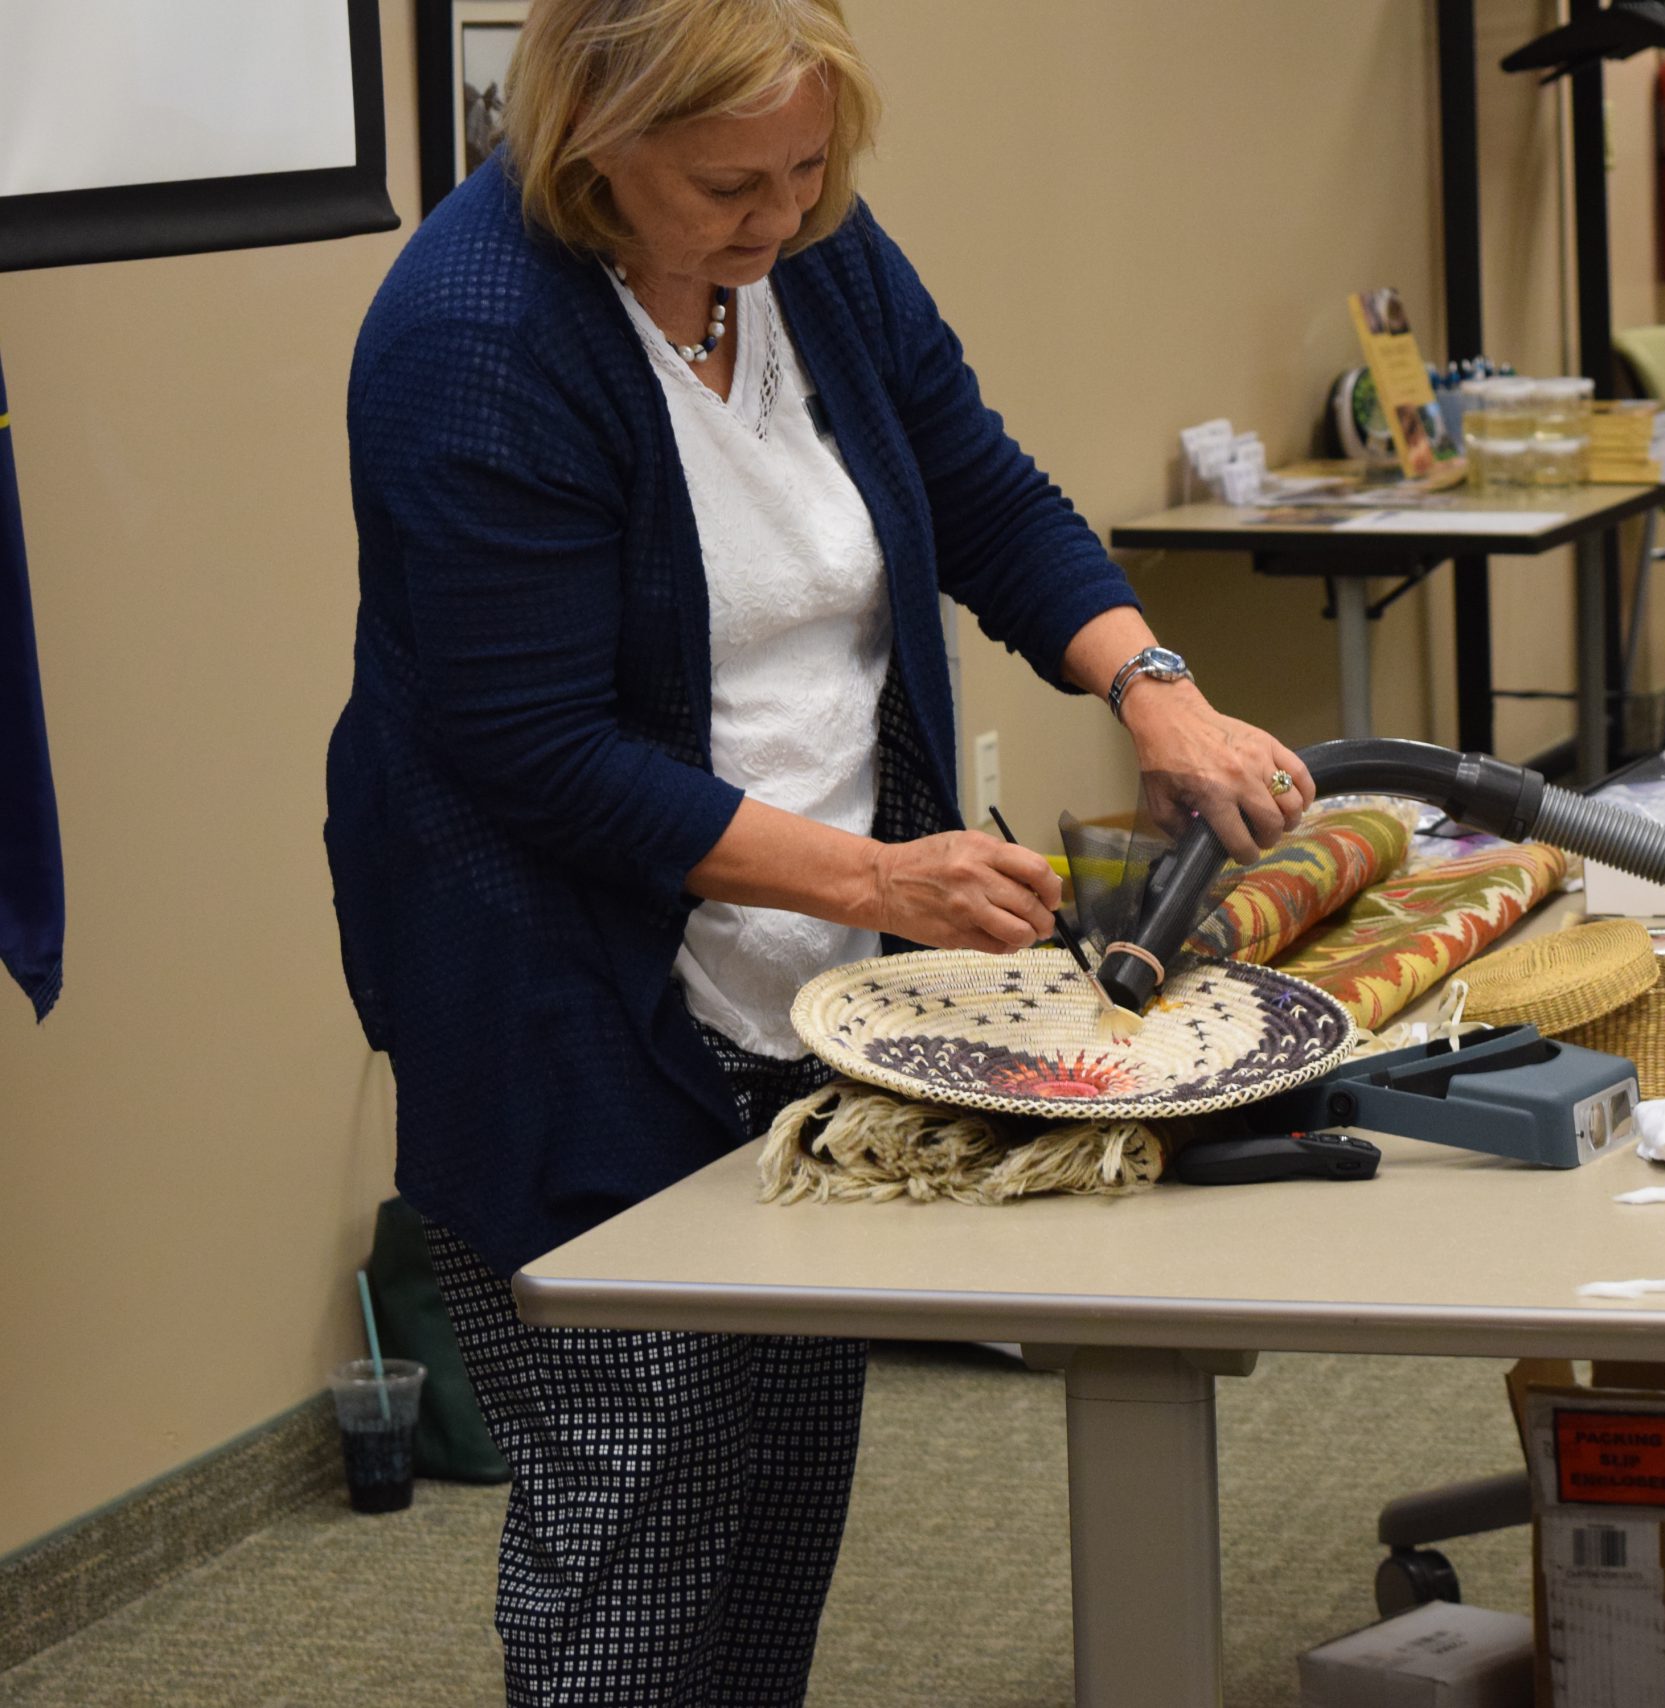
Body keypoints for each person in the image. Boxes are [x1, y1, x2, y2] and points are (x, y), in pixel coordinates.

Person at [326, 1, 1316, 1700]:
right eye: (728, 181)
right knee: (640, 1483)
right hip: (565, 987)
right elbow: (536, 749)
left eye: (807, 165)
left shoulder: (815, 258)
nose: (777, 215)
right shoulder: (476, 335)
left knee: (783, 1452)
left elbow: (982, 489)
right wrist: (876, 880)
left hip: (809, 981)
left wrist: (1148, 680)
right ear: (591, 142)